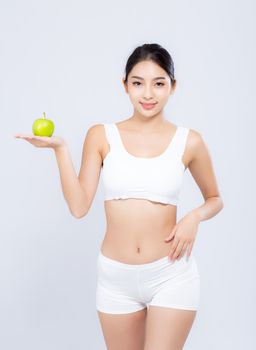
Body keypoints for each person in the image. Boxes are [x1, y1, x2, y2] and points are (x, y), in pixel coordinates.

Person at [15, 43, 224, 350]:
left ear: (173, 87)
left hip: (170, 274)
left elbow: (215, 198)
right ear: (124, 85)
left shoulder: (189, 141)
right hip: (115, 278)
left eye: (159, 83)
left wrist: (194, 217)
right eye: (138, 83)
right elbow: (78, 206)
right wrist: (59, 150)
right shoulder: (101, 135)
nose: (148, 94)